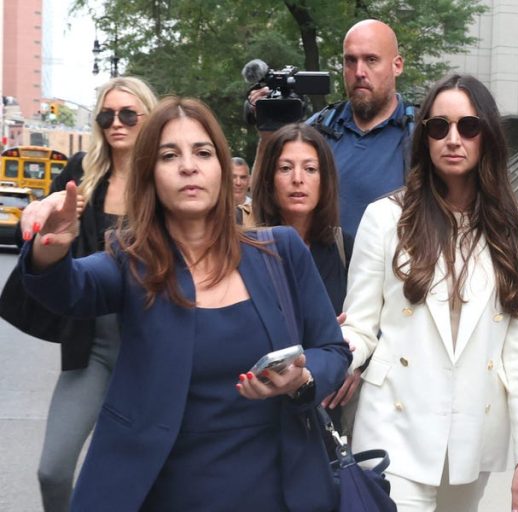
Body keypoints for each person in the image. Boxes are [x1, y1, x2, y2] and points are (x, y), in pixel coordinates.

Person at [18, 97, 350, 511]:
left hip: (277, 488)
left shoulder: (280, 251)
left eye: (203, 152)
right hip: (162, 491)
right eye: (169, 155)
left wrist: (301, 378)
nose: (188, 166)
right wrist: (50, 246)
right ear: (149, 175)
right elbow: (67, 289)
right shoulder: (129, 260)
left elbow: (332, 350)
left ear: (222, 169)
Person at [341, 74, 518, 512]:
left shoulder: (516, 227)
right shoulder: (385, 218)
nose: (453, 139)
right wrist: (330, 356)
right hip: (393, 424)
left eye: (468, 127)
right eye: (439, 127)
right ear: (425, 137)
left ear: (487, 136)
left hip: (473, 432)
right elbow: (360, 325)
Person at [32, 76, 158, 512]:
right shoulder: (82, 174)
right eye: (106, 116)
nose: (116, 123)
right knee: (53, 470)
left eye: (128, 114)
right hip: (92, 346)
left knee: (152, 478)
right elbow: (46, 219)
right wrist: (42, 217)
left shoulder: (164, 178)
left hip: (154, 344)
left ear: (149, 118)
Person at [248, 19, 411, 258]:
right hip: (321, 274)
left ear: (397, 66)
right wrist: (267, 138)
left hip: (394, 274)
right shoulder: (318, 128)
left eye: (371, 60)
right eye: (350, 61)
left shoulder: (422, 134)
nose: (359, 72)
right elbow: (263, 199)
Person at [250, 123, 344, 314]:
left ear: (325, 179)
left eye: (310, 169)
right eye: (285, 168)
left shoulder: (343, 248)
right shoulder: (246, 249)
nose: (298, 179)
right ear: (269, 178)